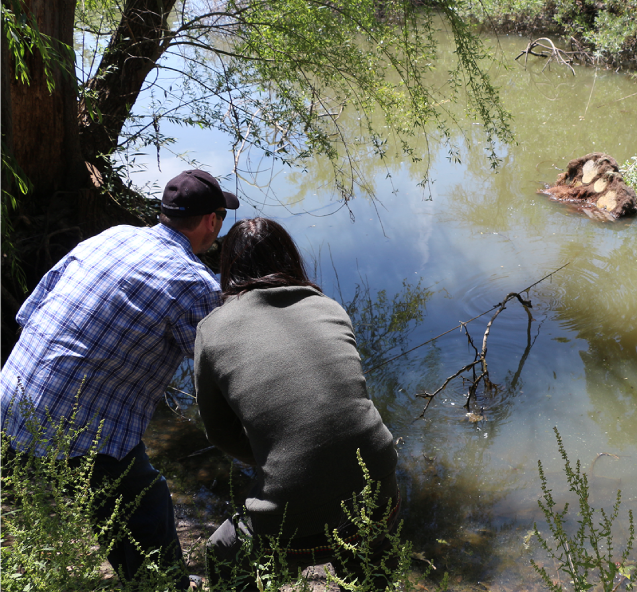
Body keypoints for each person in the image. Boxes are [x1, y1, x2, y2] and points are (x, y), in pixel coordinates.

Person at [0, 169, 240, 590]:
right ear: (211, 221)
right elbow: (224, 376)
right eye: (220, 215)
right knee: (145, 505)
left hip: (9, 397)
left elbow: (28, 313)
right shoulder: (196, 284)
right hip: (75, 432)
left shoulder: (111, 237)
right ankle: (161, 585)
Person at [195, 217, 399, 589]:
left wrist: (274, 457)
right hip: (382, 488)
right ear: (289, 258)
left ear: (228, 269)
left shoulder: (212, 330)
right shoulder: (329, 307)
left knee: (222, 549)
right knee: (369, 557)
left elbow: (219, 433)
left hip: (295, 526)